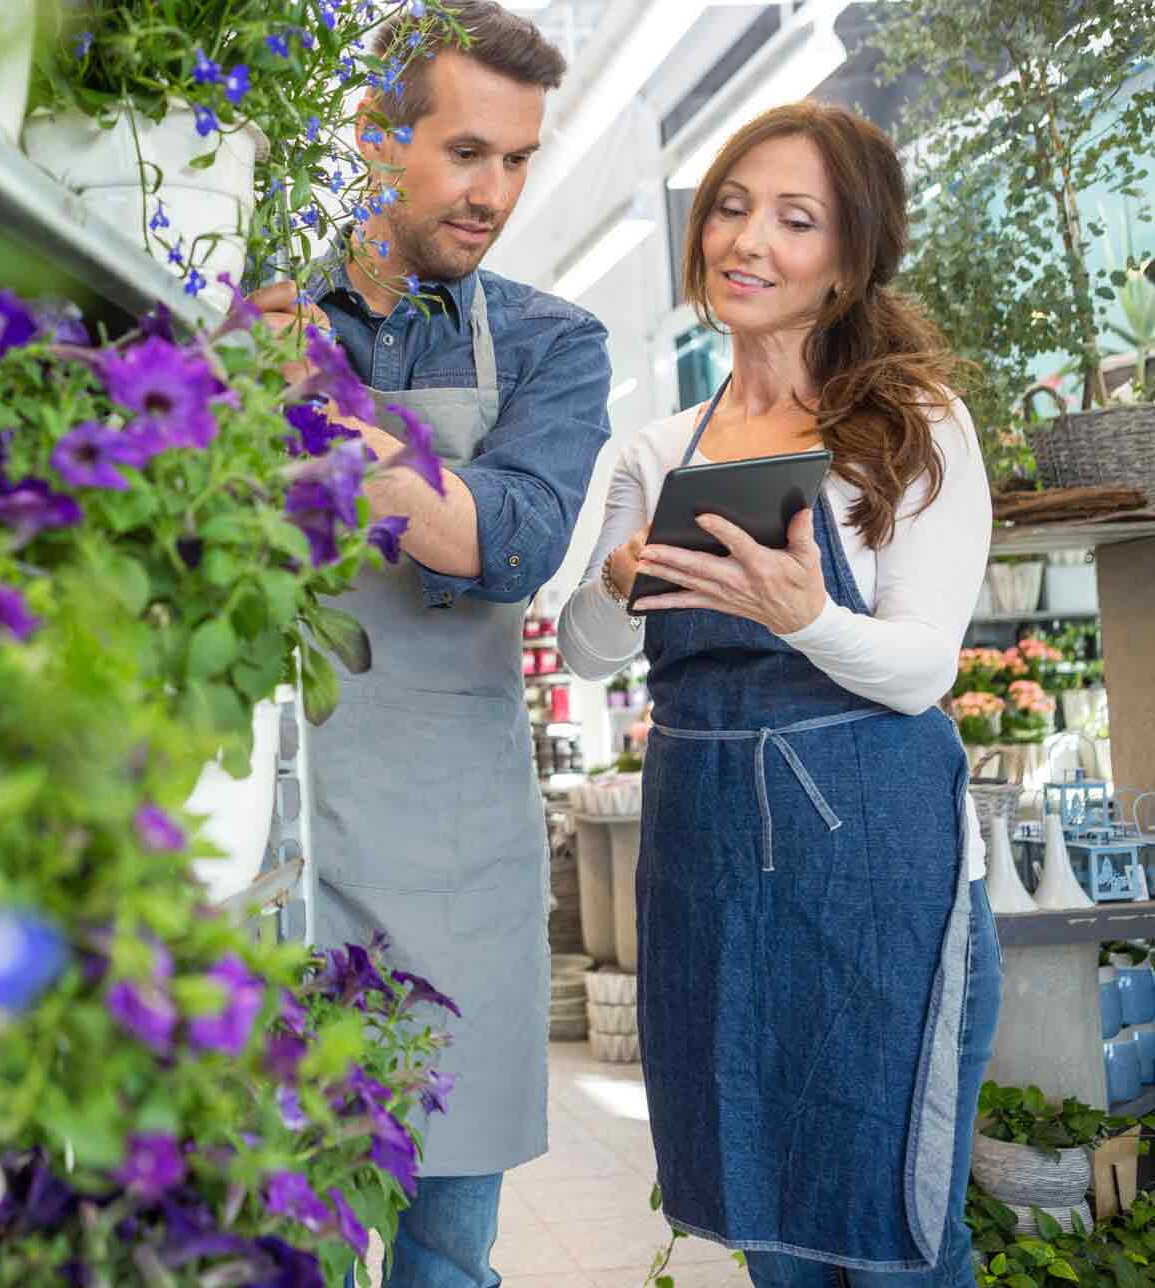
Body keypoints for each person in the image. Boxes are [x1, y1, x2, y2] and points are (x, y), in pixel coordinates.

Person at [557, 101, 999, 1287]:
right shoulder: (654, 450)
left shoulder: (908, 432)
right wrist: (614, 578)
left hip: (879, 883)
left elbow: (920, 667)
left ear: (846, 262)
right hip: (710, 881)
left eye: (794, 220)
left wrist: (804, 614)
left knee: (898, 1225)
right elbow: (590, 655)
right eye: (734, 207)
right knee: (772, 1225)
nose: (747, 240)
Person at [253, 5, 611, 1284]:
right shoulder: (260, 306)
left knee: (446, 1253)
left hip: (453, 854)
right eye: (467, 152)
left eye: (518, 161)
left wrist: (327, 412)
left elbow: (503, 540)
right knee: (270, 1235)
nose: (495, 193)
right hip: (270, 839)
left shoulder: (556, 344)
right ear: (374, 136)